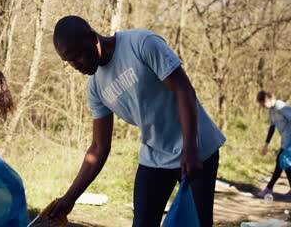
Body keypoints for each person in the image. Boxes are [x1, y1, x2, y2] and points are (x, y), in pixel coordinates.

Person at [48, 16, 226, 227]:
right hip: (155, 156)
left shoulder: (141, 43)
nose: (75, 65)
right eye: (68, 61)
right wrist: (69, 198)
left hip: (198, 149)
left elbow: (184, 90)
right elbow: (98, 147)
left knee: (197, 223)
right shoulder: (95, 88)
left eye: (77, 56)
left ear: (92, 37)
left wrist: (190, 148)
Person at [255, 91, 291, 198]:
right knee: (285, 164)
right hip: (285, 140)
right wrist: (266, 144)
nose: (262, 107)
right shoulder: (271, 110)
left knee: (280, 161)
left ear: (268, 99)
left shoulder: (280, 106)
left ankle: (269, 188)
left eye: (263, 104)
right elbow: (272, 127)